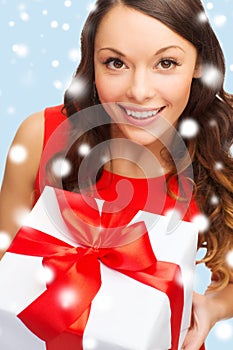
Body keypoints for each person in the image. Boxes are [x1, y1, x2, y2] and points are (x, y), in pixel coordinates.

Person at [0, 0, 233, 349]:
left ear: (200, 63)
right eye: (115, 62)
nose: (139, 91)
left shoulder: (211, 162)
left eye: (166, 63)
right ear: (90, 61)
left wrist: (213, 307)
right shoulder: (42, 136)